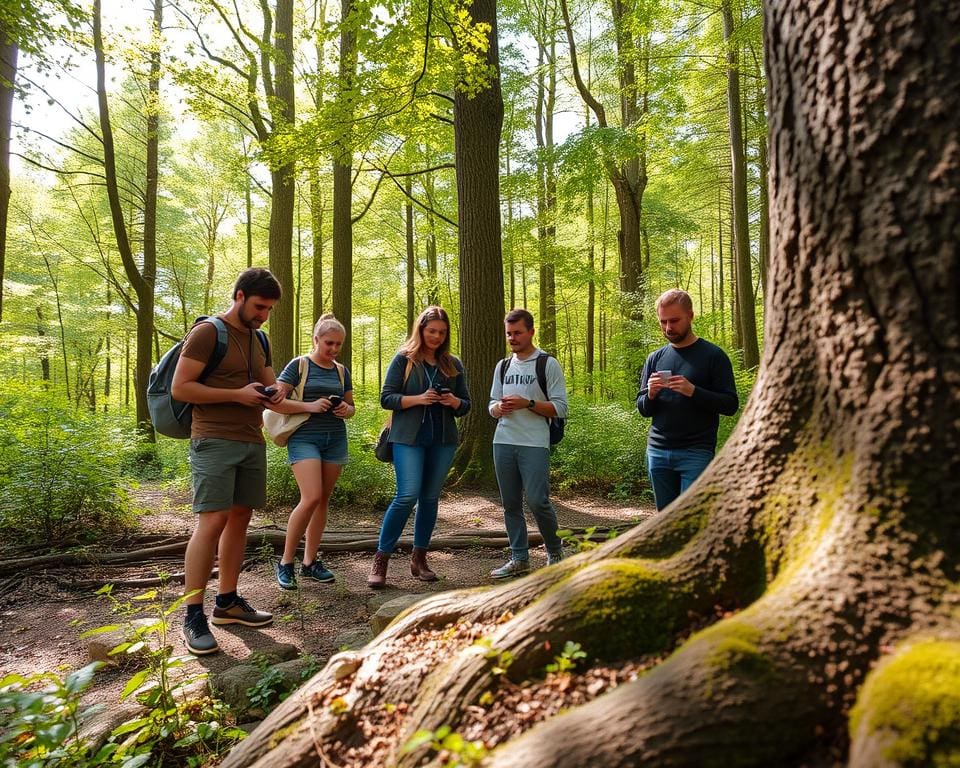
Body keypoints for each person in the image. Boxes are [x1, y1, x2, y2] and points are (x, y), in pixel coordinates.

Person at [171, 267, 284, 656]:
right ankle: (192, 613)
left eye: (268, 309)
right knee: (212, 520)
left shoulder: (260, 338)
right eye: (258, 307)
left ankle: (228, 603)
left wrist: (277, 394)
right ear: (238, 296)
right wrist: (238, 395)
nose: (263, 315)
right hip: (213, 438)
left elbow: (271, 386)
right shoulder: (207, 333)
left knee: (240, 518)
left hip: (252, 439)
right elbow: (181, 387)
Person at [367, 306, 471, 588]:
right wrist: (418, 399)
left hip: (443, 440)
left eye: (442, 332)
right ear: (421, 330)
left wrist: (453, 403)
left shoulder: (453, 364)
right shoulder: (404, 359)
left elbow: (466, 404)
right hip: (407, 437)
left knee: (430, 498)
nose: (436, 336)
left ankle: (419, 558)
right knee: (407, 495)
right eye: (431, 331)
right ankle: (381, 558)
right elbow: (386, 398)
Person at [268, 313, 356, 590]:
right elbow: (275, 403)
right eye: (329, 343)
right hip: (304, 437)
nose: (333, 349)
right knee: (311, 497)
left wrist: (345, 409)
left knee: (322, 501)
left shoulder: (342, 371)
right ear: (316, 339)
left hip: (334, 438)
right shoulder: (299, 365)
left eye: (338, 345)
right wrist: (309, 406)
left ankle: (310, 562)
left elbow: (352, 407)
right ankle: (285, 563)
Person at [636, 288, 739, 511]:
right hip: (658, 451)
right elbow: (643, 409)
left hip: (696, 452)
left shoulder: (713, 356)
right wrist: (651, 394)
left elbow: (730, 404)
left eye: (674, 320)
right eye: (663, 322)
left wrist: (694, 391)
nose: (668, 328)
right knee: (664, 521)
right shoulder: (655, 358)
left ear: (690, 316)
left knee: (690, 518)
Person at [488, 308, 569, 579]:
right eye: (509, 333)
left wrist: (528, 403)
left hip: (534, 442)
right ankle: (519, 558)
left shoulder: (547, 364)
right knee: (510, 503)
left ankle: (555, 552)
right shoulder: (503, 366)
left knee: (538, 500)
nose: (512, 338)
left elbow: (560, 408)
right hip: (503, 440)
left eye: (518, 333)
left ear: (531, 332)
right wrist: (499, 407)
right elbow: (491, 405)